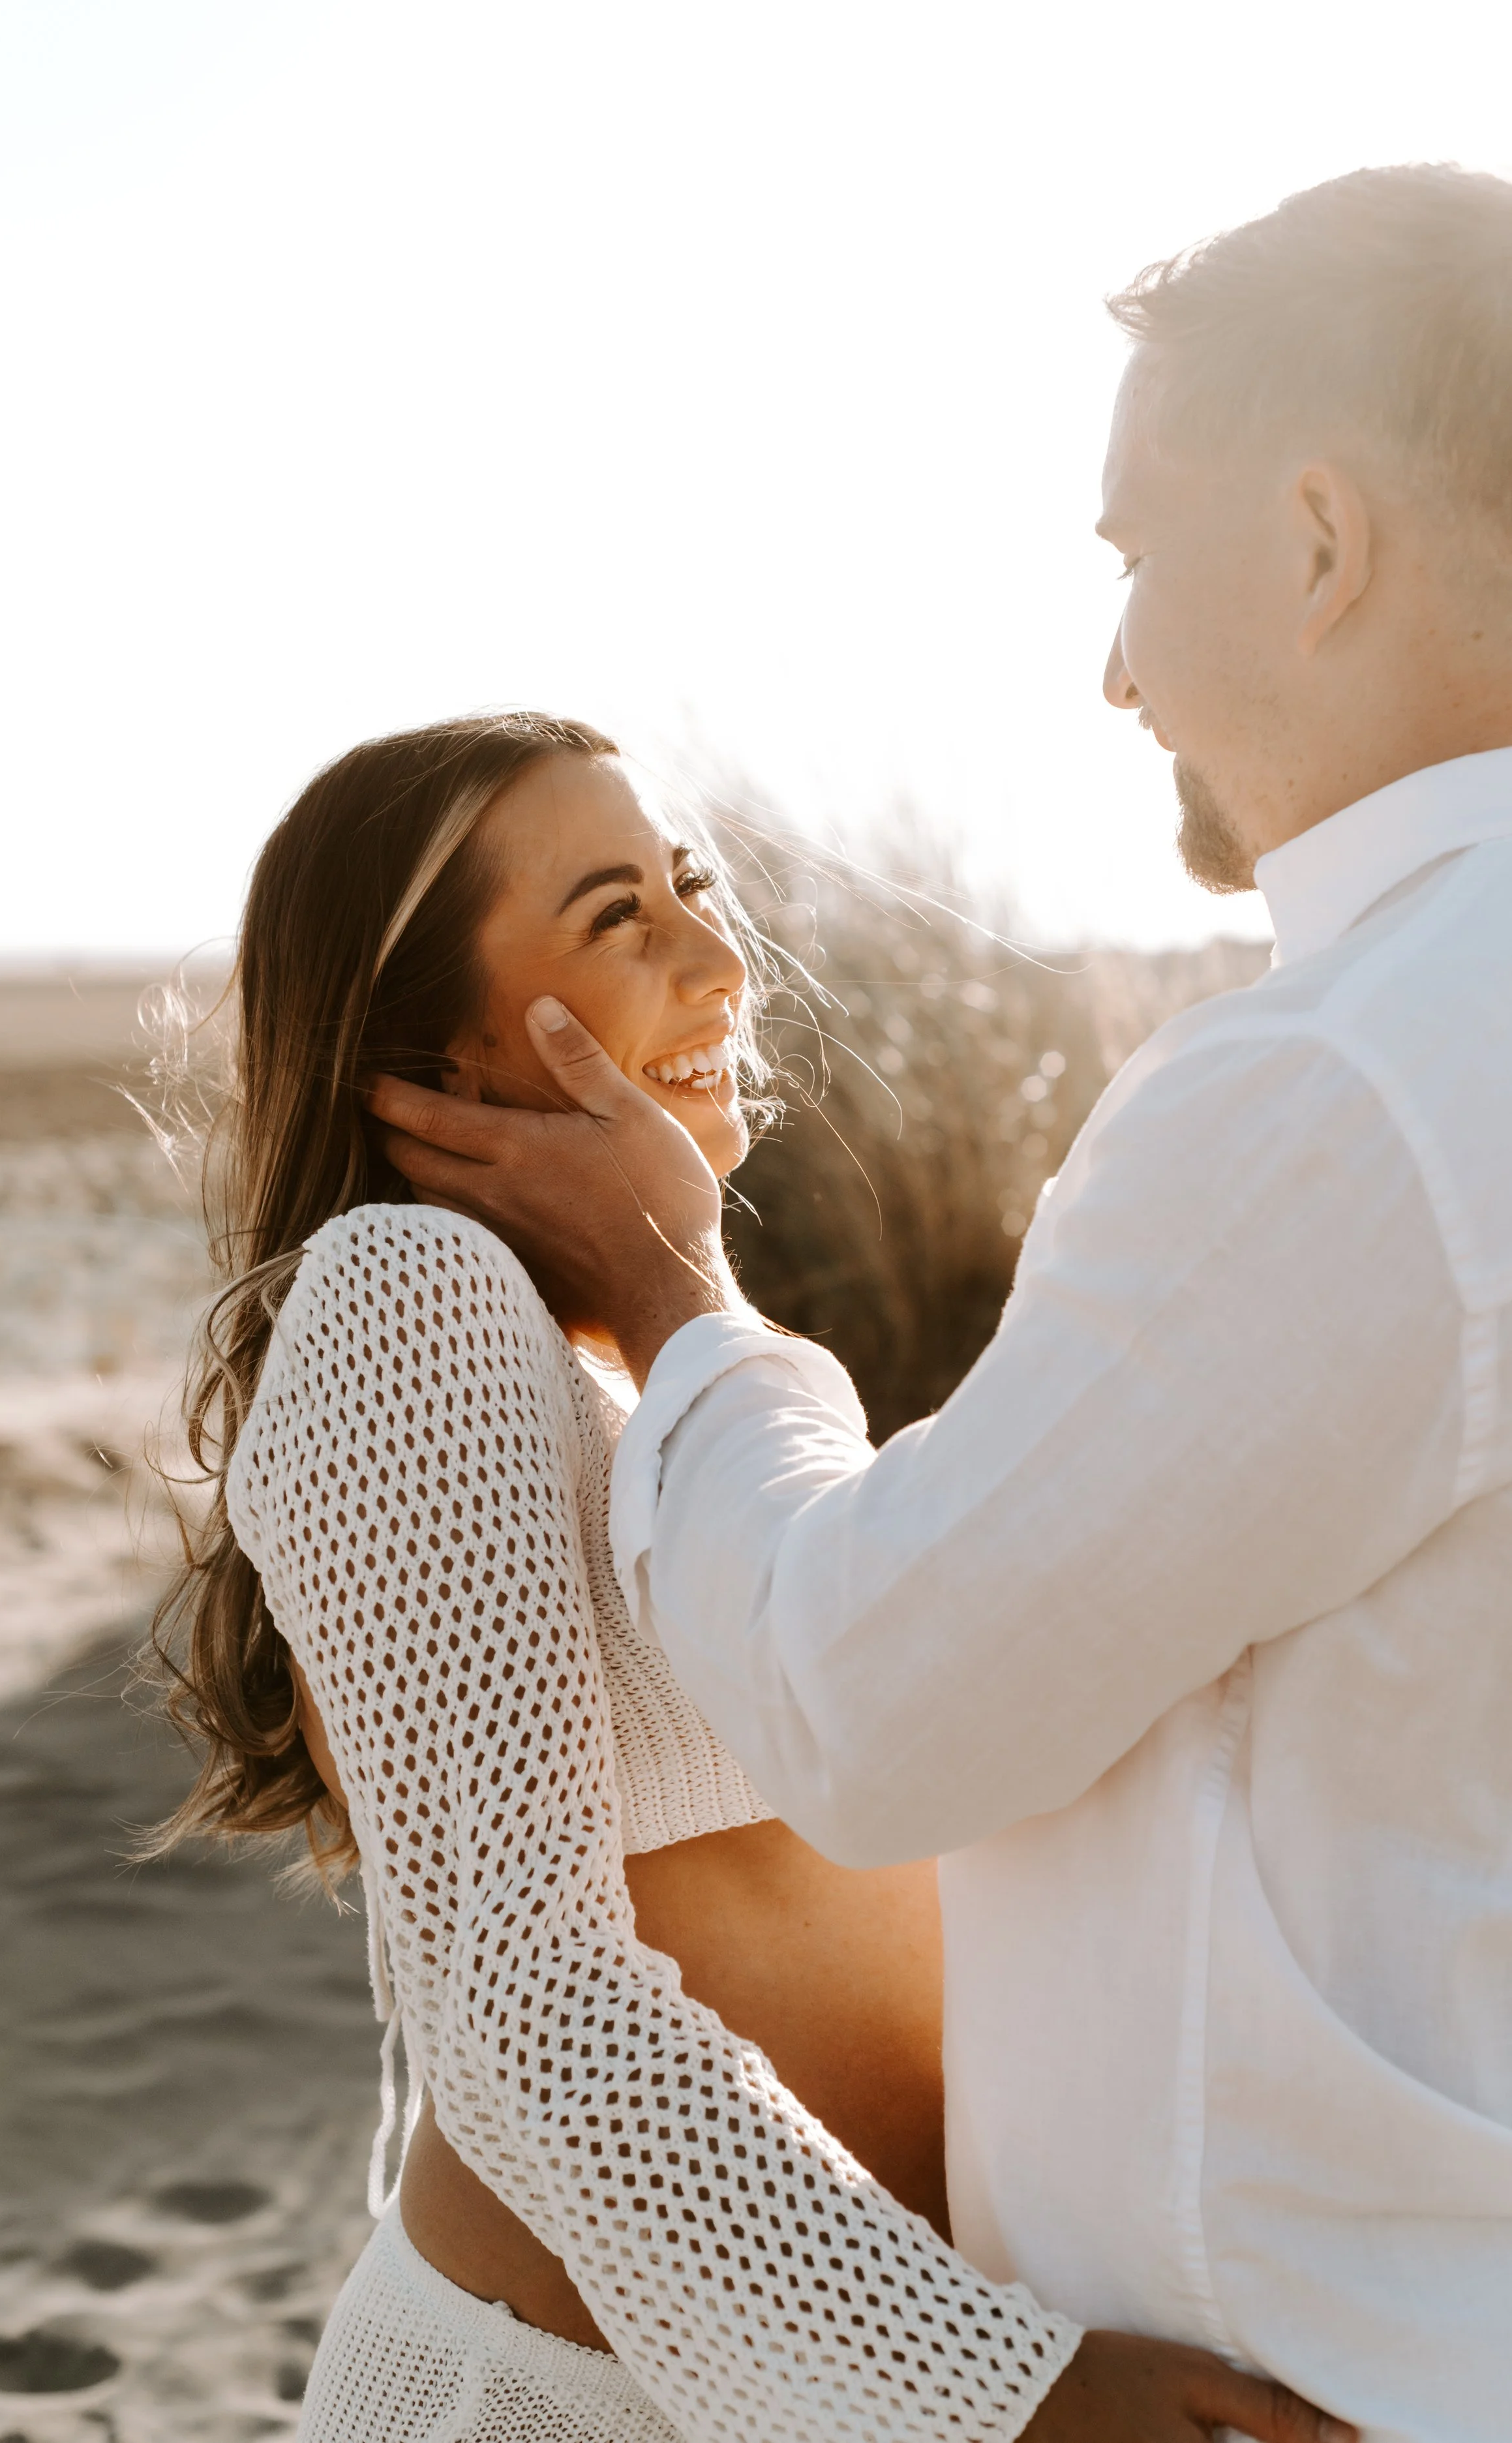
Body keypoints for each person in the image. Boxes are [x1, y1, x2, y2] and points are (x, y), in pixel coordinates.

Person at [370, 164, 1512, 2443]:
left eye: (1126, 555)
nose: (1109, 667)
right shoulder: (401, 1316)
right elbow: (509, 1977)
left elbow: (885, 1706)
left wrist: (687, 1305)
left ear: (1314, 542)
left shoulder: (1354, 1079)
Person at [145, 715, 1342, 2443]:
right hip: (577, 2406)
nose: (718, 957)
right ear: (437, 1048)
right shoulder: (407, 1297)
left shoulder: (642, 1365)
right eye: (616, 915)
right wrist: (995, 2392)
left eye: (694, 884)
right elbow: (512, 1988)